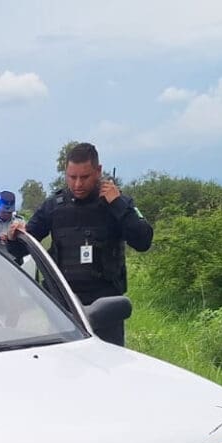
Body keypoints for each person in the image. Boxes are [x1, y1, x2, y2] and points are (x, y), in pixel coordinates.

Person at [20, 142, 154, 347]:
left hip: (105, 306)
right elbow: (21, 246)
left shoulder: (117, 204)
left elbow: (143, 241)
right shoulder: (54, 206)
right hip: (63, 306)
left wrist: (118, 204)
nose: (77, 184)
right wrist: (14, 236)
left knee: (108, 368)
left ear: (98, 171)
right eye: (72, 177)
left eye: (84, 177)